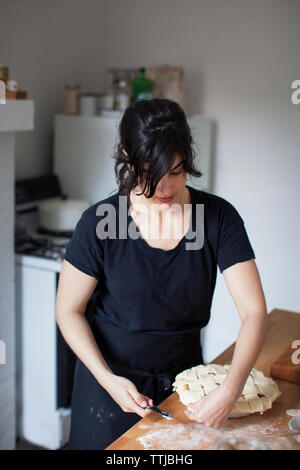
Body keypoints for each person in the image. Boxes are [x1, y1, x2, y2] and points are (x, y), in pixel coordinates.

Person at [56, 99, 268, 450]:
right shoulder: (99, 223)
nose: (165, 189)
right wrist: (108, 380)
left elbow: (254, 312)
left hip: (187, 388)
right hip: (108, 388)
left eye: (176, 171)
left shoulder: (218, 218)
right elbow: (68, 310)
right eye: (151, 176)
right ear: (127, 158)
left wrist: (230, 390)